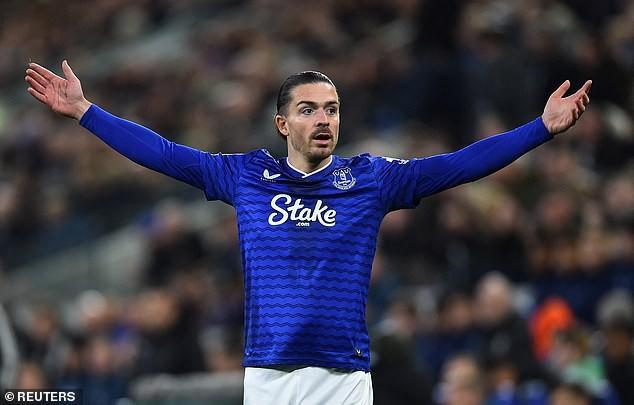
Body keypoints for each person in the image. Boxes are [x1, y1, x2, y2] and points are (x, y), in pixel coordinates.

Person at [25, 60, 591, 405]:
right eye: (309, 109)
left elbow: (457, 165)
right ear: (282, 123)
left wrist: (539, 129)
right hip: (267, 376)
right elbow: (165, 154)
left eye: (333, 109)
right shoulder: (246, 176)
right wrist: (87, 112)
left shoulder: (371, 179)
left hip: (342, 376)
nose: (324, 119)